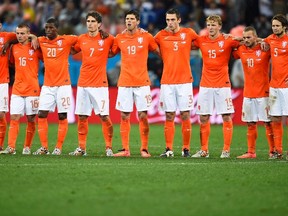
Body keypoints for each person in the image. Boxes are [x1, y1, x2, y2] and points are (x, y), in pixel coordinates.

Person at [111, 9, 160, 157]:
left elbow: (159, 51)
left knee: (143, 115)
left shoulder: (146, 37)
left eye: (132, 19)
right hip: (125, 82)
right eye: (127, 19)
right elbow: (110, 52)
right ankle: (125, 150)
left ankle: (144, 149)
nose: (129, 21)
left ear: (138, 21)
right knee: (124, 115)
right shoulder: (119, 38)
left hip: (142, 82)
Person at [192, 15, 240, 158]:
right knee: (203, 117)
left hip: (222, 84)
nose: (211, 28)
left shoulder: (227, 40)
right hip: (206, 84)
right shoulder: (201, 40)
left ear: (219, 26)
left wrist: (235, 37)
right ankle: (204, 150)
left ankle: (226, 150)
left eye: (213, 25)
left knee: (226, 116)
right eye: (209, 25)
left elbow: (246, 41)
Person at [154, 8, 198, 157]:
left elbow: (203, 43)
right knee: (169, 115)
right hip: (167, 82)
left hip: (185, 81)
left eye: (173, 20)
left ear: (179, 20)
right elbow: (150, 45)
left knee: (185, 115)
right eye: (168, 20)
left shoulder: (189, 33)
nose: (170, 23)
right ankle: (169, 149)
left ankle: (186, 149)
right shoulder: (160, 35)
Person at [69, 11, 114, 157]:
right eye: (88, 21)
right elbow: (71, 50)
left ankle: (108, 147)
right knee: (82, 116)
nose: (90, 24)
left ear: (99, 24)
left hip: (100, 84)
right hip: (83, 83)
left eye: (93, 21)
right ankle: (81, 148)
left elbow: (117, 48)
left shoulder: (108, 39)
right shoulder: (81, 39)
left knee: (104, 116)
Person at [32, 17, 78, 155]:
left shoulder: (66, 40)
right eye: (46, 28)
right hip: (47, 85)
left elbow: (84, 39)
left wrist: (101, 34)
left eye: (51, 28)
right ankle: (44, 147)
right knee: (41, 114)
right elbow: (22, 36)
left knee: (62, 115)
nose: (48, 30)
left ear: (57, 29)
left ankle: (58, 148)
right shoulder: (41, 41)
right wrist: (32, 36)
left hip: (63, 85)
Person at [0, 23, 42, 155]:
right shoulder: (14, 48)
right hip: (17, 88)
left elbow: (48, 60)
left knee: (31, 118)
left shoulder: (35, 47)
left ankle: (27, 147)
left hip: (33, 88)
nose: (19, 36)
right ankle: (11, 147)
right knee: (14, 117)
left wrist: (34, 38)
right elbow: (11, 63)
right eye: (18, 33)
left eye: (23, 33)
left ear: (28, 33)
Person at [233, 26, 274, 159]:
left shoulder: (264, 49)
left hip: (264, 93)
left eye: (249, 37)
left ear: (255, 37)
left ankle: (273, 151)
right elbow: (231, 45)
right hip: (248, 93)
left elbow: (275, 44)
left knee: (268, 123)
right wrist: (239, 40)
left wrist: (263, 41)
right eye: (244, 37)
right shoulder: (241, 50)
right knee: (250, 123)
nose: (246, 40)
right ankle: (251, 152)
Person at [263, 14, 288, 160]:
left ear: (284, 27)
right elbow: (257, 41)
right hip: (274, 86)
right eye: (273, 25)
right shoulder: (270, 39)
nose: (275, 28)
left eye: (277, 25)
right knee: (275, 118)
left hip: (286, 86)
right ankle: (278, 151)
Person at [0, 21, 17, 151]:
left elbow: (26, 35)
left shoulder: (7, 36)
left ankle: (0, 145)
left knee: (1, 114)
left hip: (2, 81)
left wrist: (9, 42)